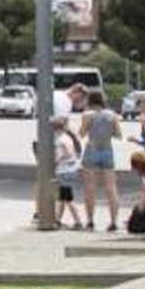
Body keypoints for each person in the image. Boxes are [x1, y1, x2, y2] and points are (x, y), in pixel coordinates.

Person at [80, 88, 123, 232]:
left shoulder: (87, 115)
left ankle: (90, 221)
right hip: (107, 150)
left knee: (90, 188)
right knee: (111, 188)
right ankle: (113, 221)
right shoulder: (112, 115)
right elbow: (118, 135)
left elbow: (82, 133)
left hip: (92, 149)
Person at [52, 116, 83, 229]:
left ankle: (78, 222)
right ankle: (57, 220)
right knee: (62, 198)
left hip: (64, 171)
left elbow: (62, 154)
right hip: (71, 170)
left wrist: (53, 163)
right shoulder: (68, 138)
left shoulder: (60, 140)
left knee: (67, 198)